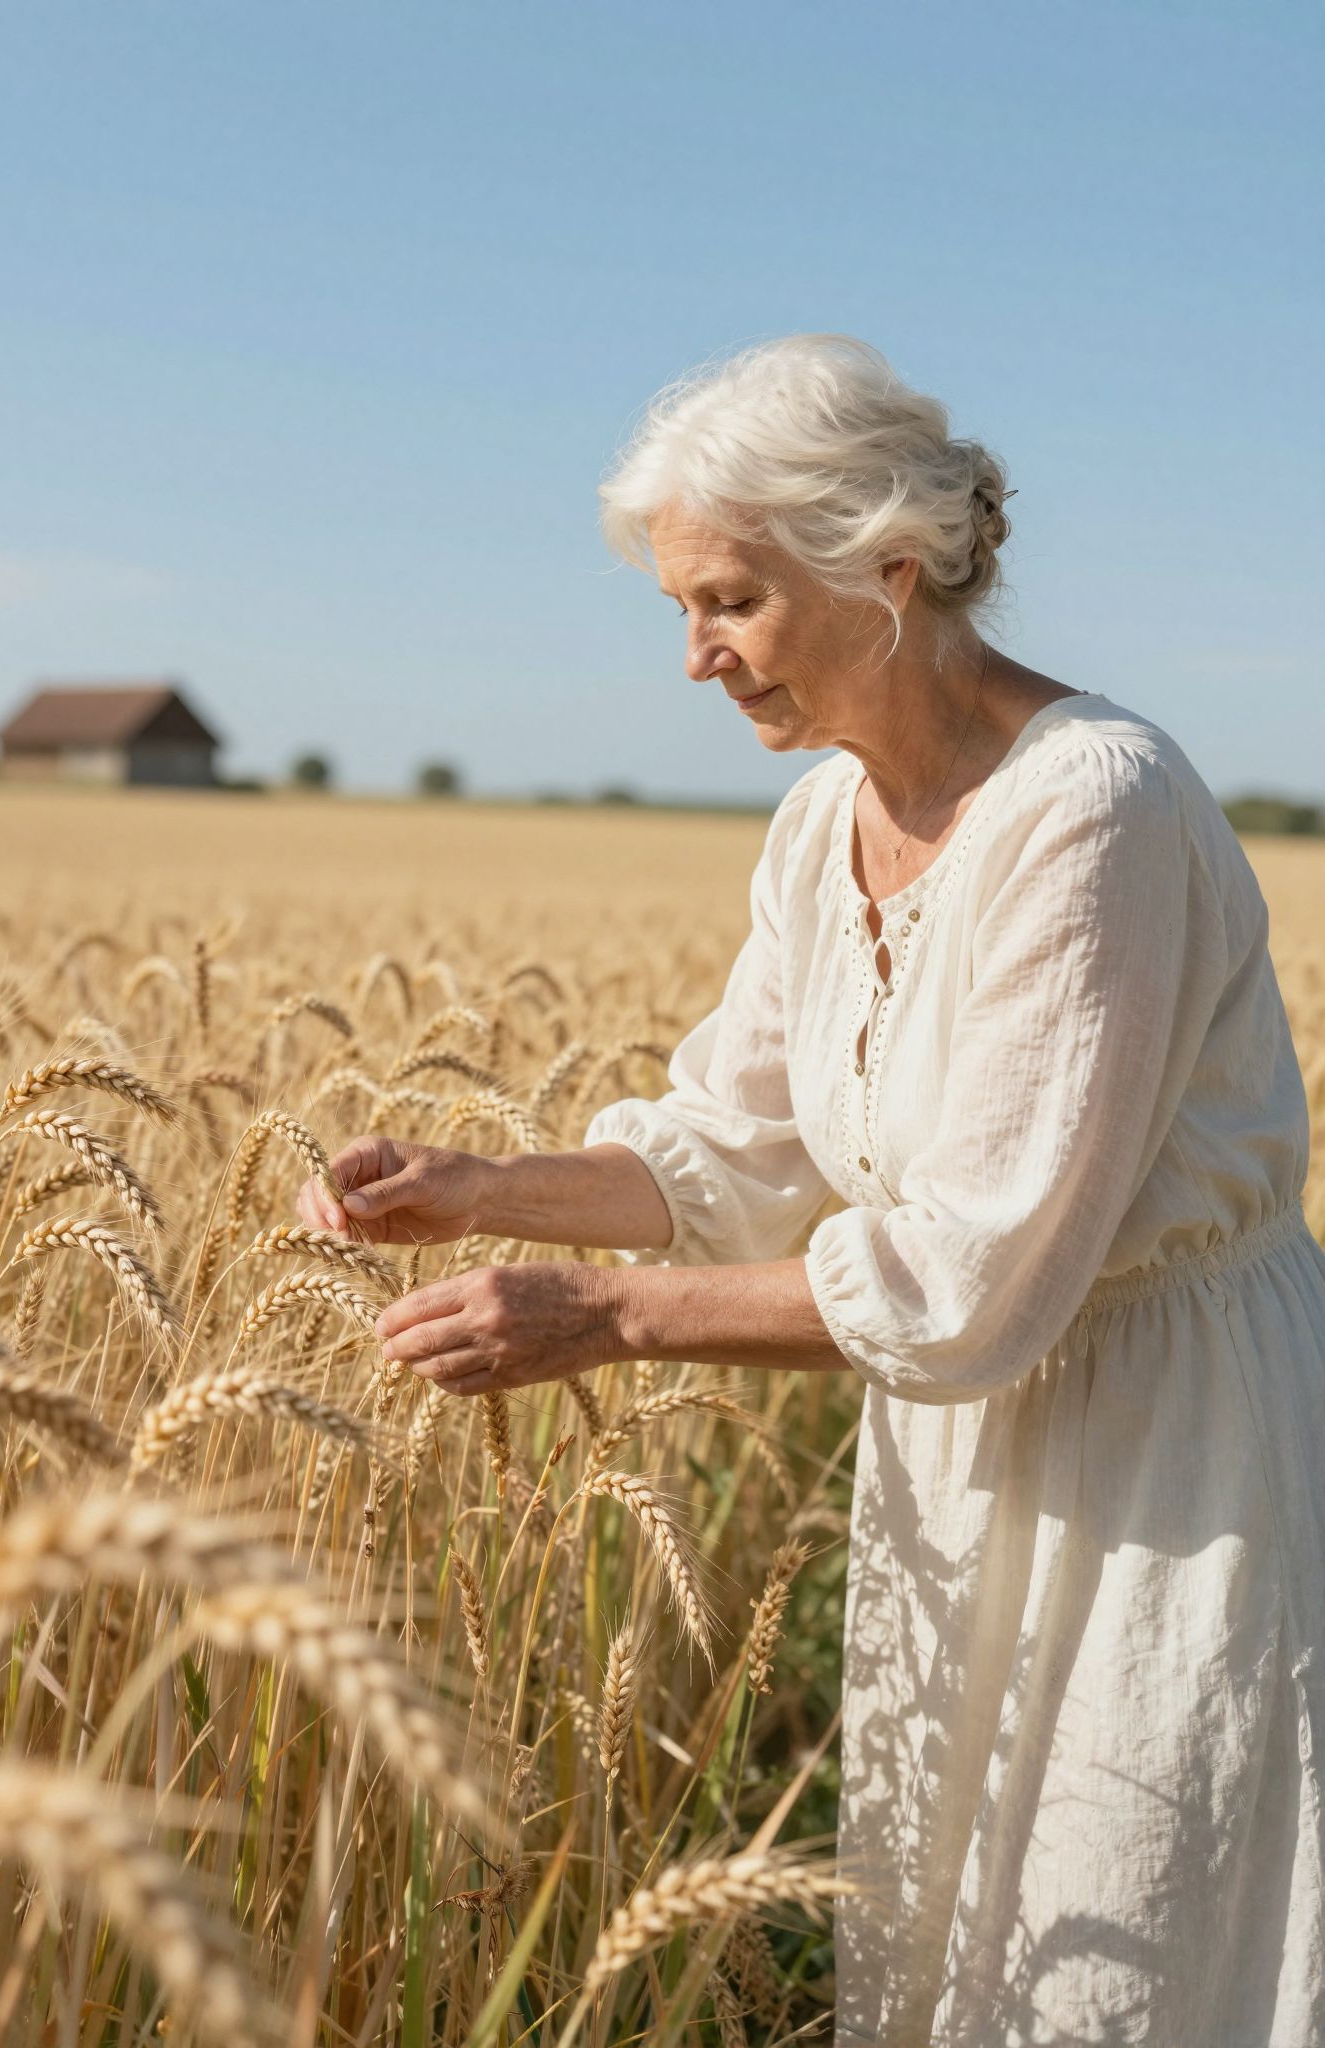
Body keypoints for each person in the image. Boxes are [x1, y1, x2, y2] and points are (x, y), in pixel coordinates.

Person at [299, 335, 1325, 2046]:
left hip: (1165, 1456)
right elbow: (744, 1147)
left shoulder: (1096, 811)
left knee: (1133, 1935)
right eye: (680, 610)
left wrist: (608, 1320)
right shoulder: (821, 824)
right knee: (965, 1946)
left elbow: (977, 1285)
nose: (697, 658)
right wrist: (487, 1191)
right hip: (958, 1458)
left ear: (885, 572)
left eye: (731, 603)